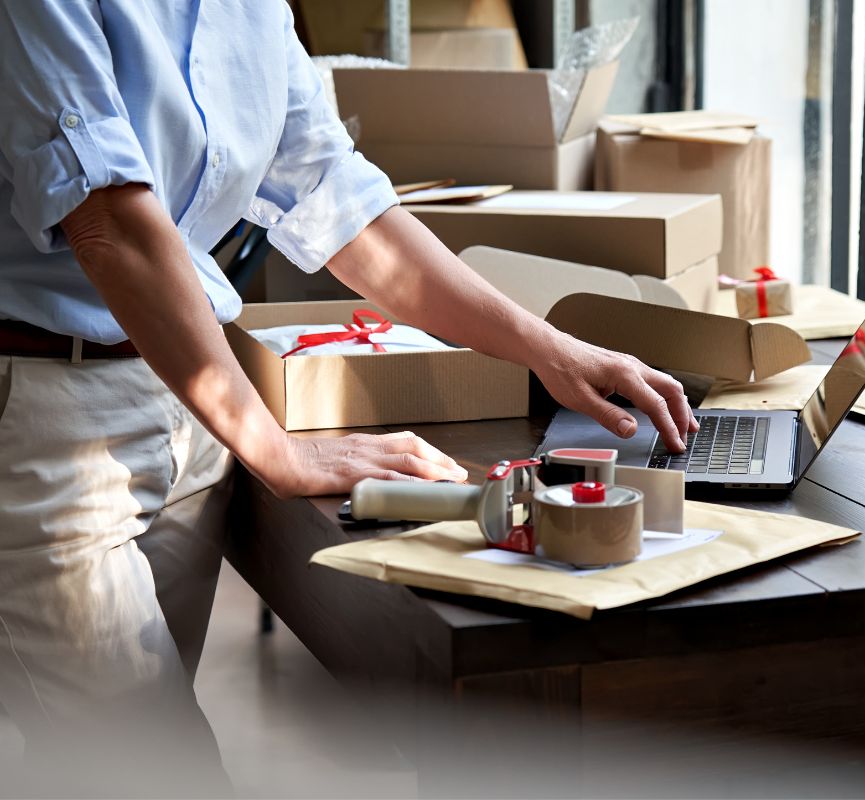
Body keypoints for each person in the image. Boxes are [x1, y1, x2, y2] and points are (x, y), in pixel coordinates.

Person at [0, 2, 695, 792]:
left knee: (89, 764)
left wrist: (553, 350)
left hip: (183, 401)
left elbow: (343, 203)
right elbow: (113, 228)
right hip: (46, 417)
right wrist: (277, 448)